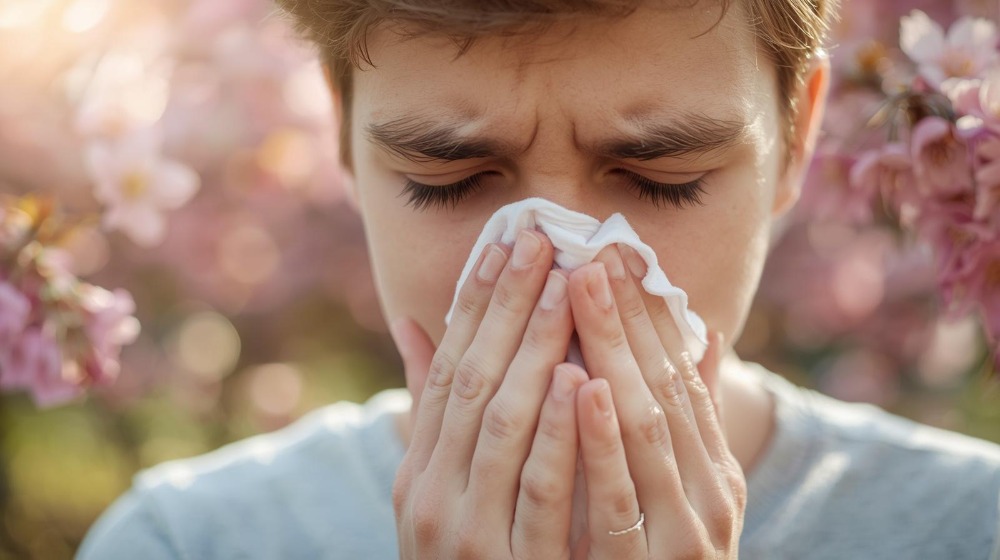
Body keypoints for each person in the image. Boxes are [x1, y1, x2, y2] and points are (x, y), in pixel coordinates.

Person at [78, 1, 1000, 558]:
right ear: (344, 137)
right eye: (449, 179)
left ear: (795, 141)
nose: (564, 269)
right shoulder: (185, 546)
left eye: (662, 180)